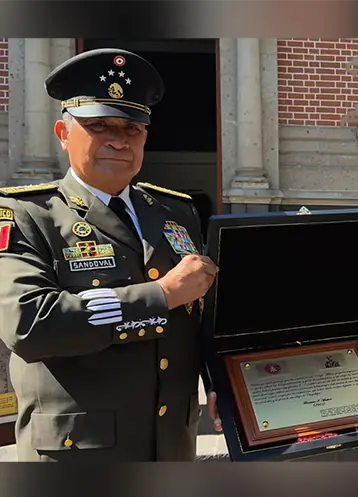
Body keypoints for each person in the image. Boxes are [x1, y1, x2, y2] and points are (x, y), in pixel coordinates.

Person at [0, 48, 223, 462]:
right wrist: (160, 295)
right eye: (99, 125)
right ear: (64, 134)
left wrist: (222, 380)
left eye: (131, 128)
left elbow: (201, 315)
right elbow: (28, 323)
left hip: (171, 446)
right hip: (79, 454)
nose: (118, 140)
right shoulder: (26, 214)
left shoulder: (177, 210)